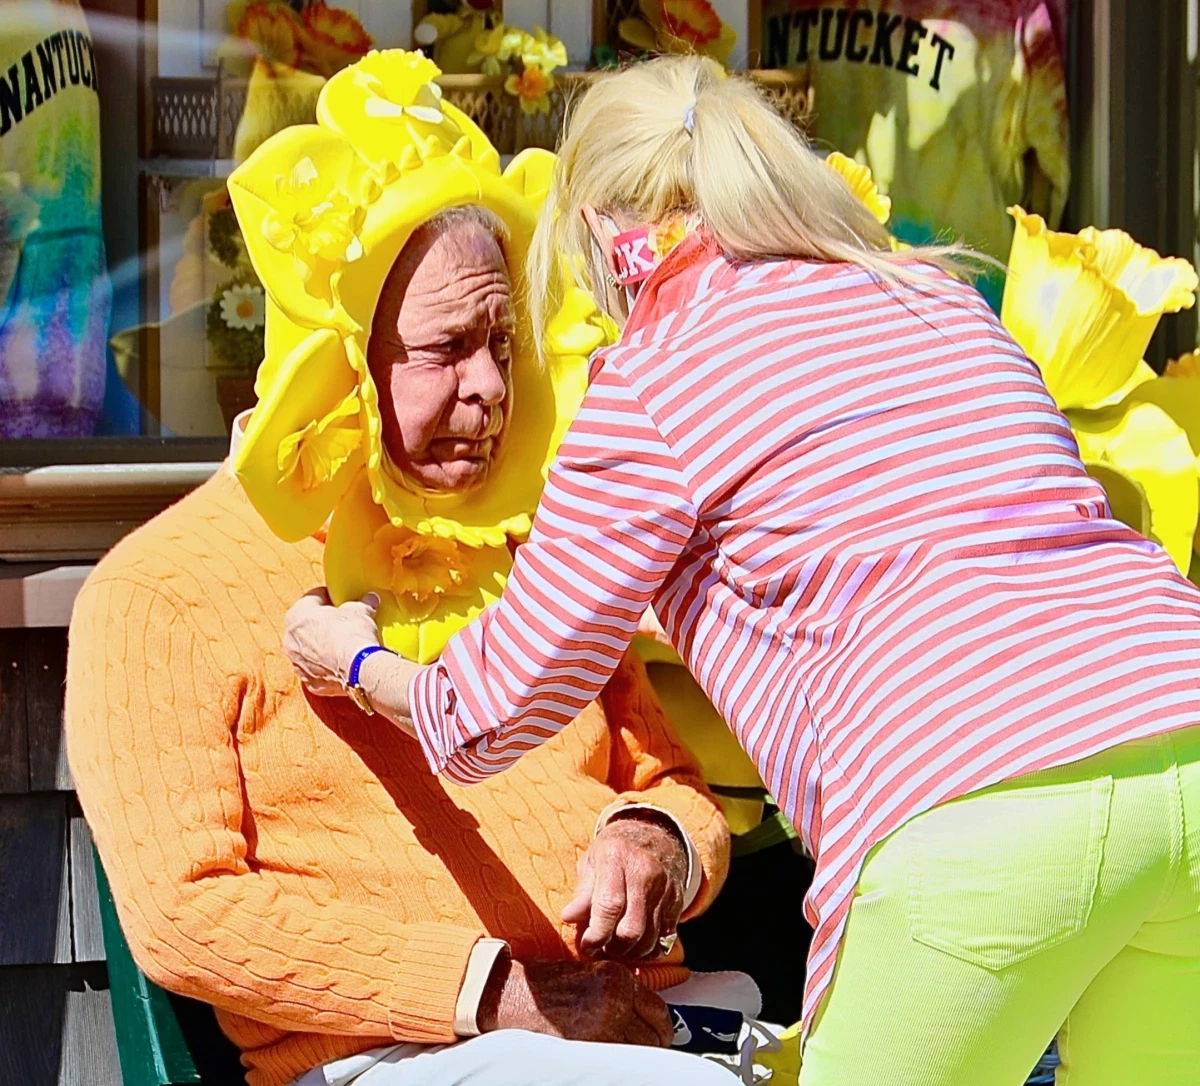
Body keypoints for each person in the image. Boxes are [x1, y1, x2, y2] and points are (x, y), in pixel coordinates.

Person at [284, 55, 1200, 1085]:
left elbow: (491, 710)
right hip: (1184, 728)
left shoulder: (657, 375)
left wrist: (353, 659)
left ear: (598, 233)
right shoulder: (934, 299)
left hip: (979, 792)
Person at [65, 202, 738, 1086]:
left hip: (651, 1020)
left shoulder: (530, 548)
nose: (491, 386)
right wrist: (493, 991)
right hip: (401, 1055)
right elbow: (184, 916)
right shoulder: (160, 590)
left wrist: (656, 842)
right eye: (447, 348)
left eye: (502, 345)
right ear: (335, 363)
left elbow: (677, 788)